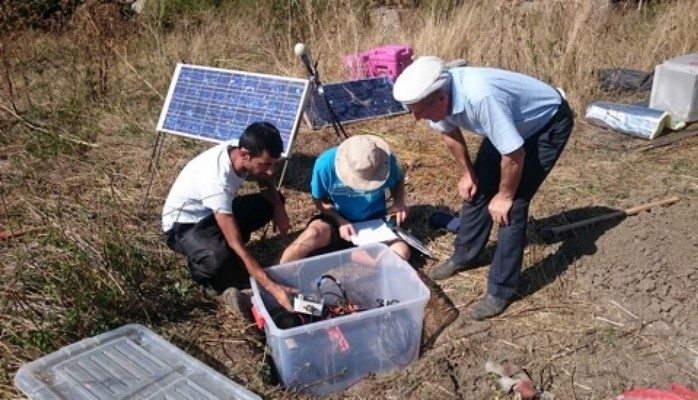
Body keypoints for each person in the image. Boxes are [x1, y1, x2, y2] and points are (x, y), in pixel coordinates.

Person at [393, 56, 574, 320]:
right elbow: (449, 133)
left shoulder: (481, 98)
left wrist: (505, 195)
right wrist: (468, 173)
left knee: (512, 207)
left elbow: (513, 154)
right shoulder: (436, 94)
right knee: (477, 189)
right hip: (512, 128)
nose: (416, 118)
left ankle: (501, 290)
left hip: (546, 124)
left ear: (441, 100)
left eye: (418, 111)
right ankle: (465, 254)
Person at [162, 122, 297, 311]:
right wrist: (271, 287)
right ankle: (202, 272)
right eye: (265, 164)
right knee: (218, 259)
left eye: (273, 164)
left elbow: (264, 179)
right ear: (244, 155)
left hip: (213, 212)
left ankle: (223, 248)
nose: (270, 171)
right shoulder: (216, 180)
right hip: (183, 226)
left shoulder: (243, 149)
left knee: (271, 203)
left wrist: (279, 208)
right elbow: (236, 244)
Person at [279, 134, 411, 263]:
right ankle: (278, 275)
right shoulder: (325, 164)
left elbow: (398, 179)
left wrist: (399, 202)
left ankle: (357, 256)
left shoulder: (386, 161)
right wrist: (340, 220)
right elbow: (319, 199)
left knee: (401, 252)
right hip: (336, 220)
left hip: (375, 222)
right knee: (311, 235)